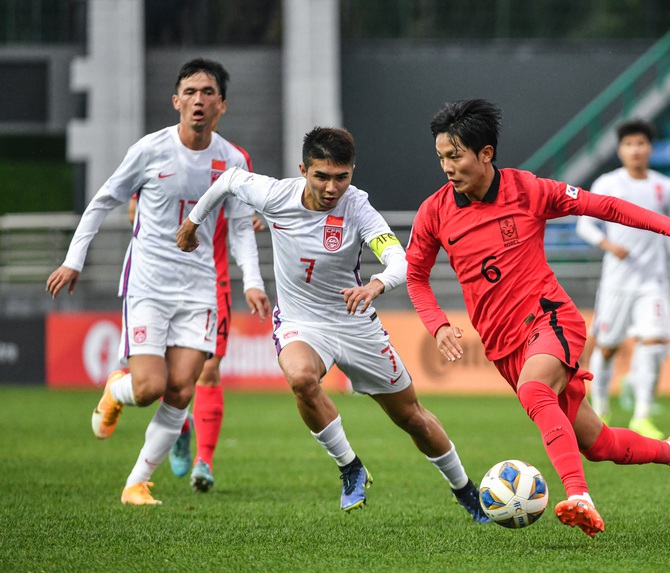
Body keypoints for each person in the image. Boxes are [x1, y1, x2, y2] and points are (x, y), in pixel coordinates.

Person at [405, 99, 670, 538]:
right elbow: (416, 277)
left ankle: (580, 497)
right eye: (441, 157)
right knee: (598, 444)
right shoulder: (434, 212)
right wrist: (438, 325)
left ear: (486, 154)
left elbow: (603, 206)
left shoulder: (528, 190)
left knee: (537, 391)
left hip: (551, 319)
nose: (446, 167)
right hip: (504, 347)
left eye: (455, 156)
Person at [176, 127, 491, 522]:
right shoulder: (275, 195)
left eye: (341, 177)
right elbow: (227, 180)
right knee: (301, 380)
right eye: (321, 176)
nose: (331, 187)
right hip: (300, 322)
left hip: (356, 324)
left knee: (410, 416)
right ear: (303, 170)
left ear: (352, 172)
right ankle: (350, 467)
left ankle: (465, 489)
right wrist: (191, 223)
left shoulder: (357, 208)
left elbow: (399, 260)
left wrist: (376, 284)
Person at [46, 58, 271, 506]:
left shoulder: (233, 160)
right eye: (190, 92)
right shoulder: (150, 150)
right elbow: (102, 201)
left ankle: (136, 483)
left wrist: (253, 281)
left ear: (221, 105)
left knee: (182, 388)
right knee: (148, 388)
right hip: (149, 284)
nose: (198, 100)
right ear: (175, 101)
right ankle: (117, 387)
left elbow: (243, 227)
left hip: (201, 288)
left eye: (208, 92)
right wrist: (74, 260)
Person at [128, 193, 266, 494]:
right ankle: (181, 424)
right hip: (160, 285)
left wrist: (243, 221)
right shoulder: (161, 156)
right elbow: (133, 212)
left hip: (212, 282)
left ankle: (204, 461)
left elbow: (242, 216)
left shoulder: (230, 164)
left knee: (209, 369)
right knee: (164, 377)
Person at [575, 119, 670, 440]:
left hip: (653, 281)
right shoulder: (607, 184)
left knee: (654, 342)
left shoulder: (664, 186)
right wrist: (608, 244)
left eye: (641, 144)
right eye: (629, 145)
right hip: (616, 281)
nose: (635, 150)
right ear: (620, 150)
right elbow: (584, 225)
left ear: (649, 148)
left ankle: (641, 415)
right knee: (608, 347)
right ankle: (600, 409)